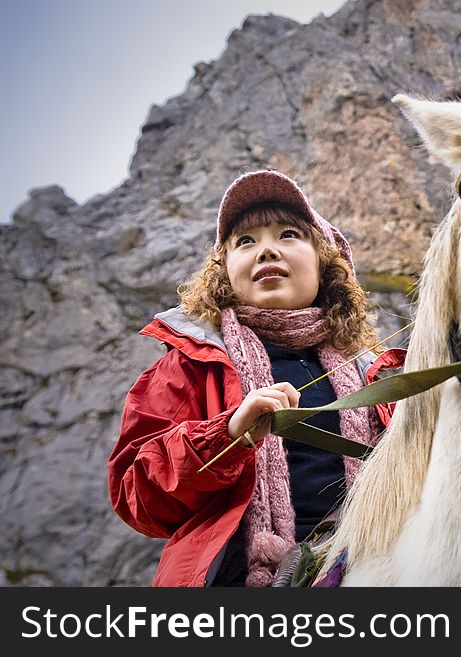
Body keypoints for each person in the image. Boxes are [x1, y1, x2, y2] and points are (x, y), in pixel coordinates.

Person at [108, 169, 403, 587]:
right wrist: (226, 435)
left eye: (288, 235)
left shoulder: (376, 373)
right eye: (245, 241)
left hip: (374, 574)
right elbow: (136, 498)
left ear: (323, 263)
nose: (266, 250)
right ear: (224, 270)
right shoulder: (188, 365)